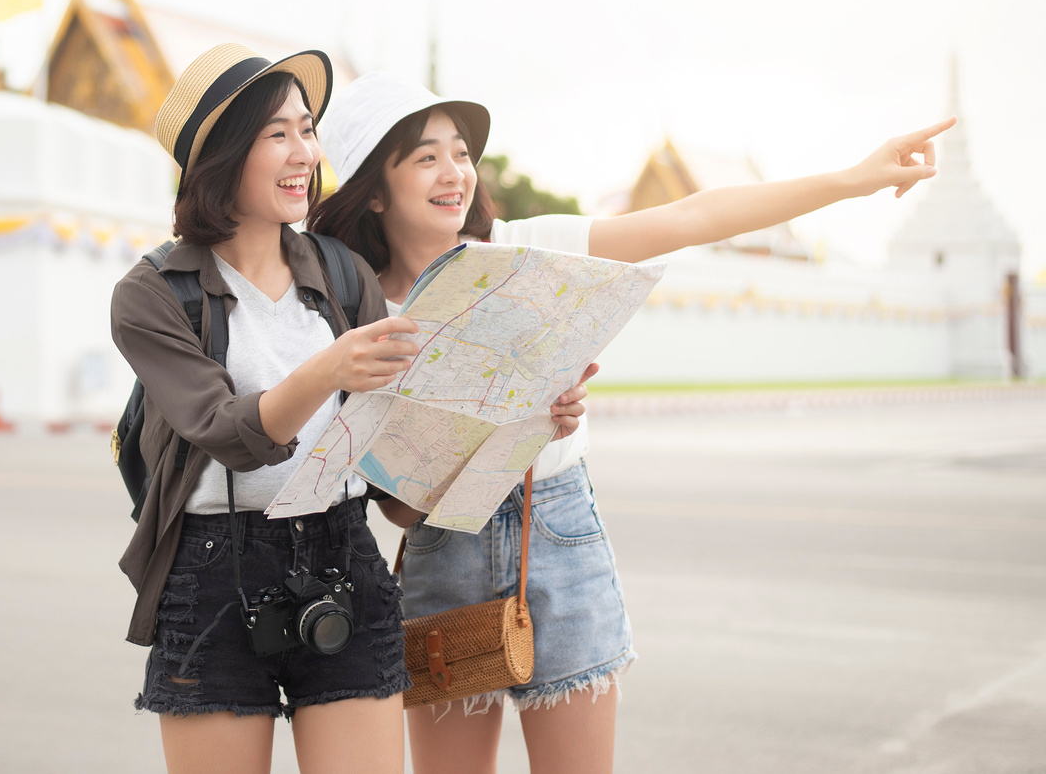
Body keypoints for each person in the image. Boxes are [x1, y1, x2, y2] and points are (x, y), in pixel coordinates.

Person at [307, 71, 952, 774]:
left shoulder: (532, 244)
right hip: (444, 552)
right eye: (425, 156)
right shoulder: (364, 314)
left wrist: (853, 179)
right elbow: (398, 507)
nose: (453, 172)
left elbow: (690, 217)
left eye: (460, 152)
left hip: (558, 533)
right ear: (375, 189)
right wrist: (501, 427)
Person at [113, 44, 425, 774]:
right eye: (278, 133)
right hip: (213, 570)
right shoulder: (151, 293)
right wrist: (328, 368)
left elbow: (394, 476)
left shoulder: (341, 270)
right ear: (222, 155)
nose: (304, 153)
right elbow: (228, 431)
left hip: (345, 550)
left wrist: (515, 414)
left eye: (307, 128)